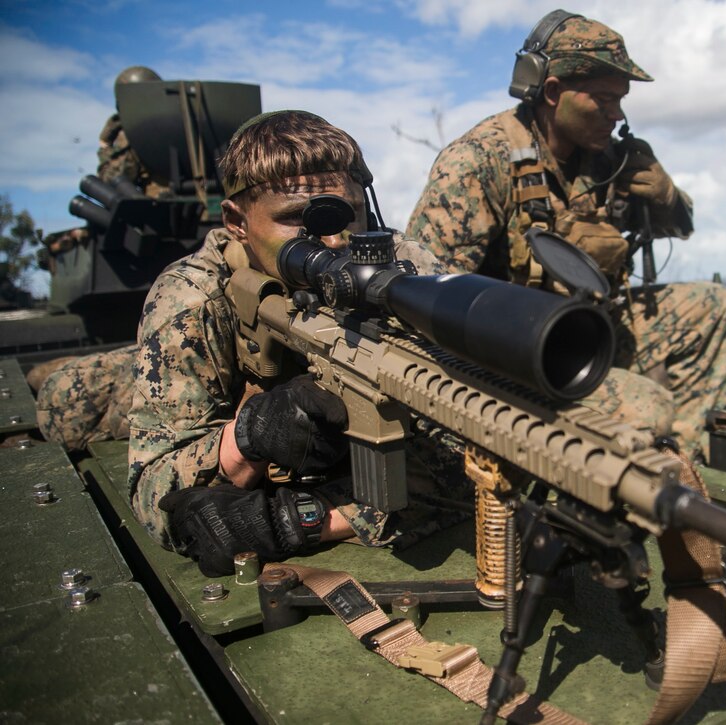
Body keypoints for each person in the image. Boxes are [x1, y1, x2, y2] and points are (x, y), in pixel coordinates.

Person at [125, 110, 673, 577]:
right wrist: (249, 436)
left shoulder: (398, 266)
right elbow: (154, 491)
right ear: (237, 222)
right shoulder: (192, 299)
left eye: (346, 215)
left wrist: (311, 517)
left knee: (635, 406)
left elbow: (457, 429)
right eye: (296, 220)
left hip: (351, 453)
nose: (332, 242)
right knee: (71, 400)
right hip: (203, 391)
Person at [408, 10, 726, 461]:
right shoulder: (478, 161)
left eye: (620, 101)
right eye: (603, 100)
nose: (616, 114)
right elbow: (426, 296)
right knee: (648, 404)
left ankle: (686, 466)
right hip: (511, 357)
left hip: (586, 329)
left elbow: (679, 227)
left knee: (712, 307)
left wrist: (668, 198)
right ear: (551, 92)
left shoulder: (606, 161)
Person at [97, 66, 170, 198]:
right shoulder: (188, 122)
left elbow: (114, 178)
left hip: (163, 209)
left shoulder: (136, 132)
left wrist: (104, 147)